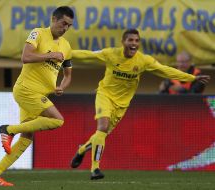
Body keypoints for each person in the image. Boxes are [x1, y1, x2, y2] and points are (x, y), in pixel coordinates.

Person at [70, 29, 210, 180]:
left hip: (122, 105)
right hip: (105, 96)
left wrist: (191, 78)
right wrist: (62, 53)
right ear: (123, 42)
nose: (134, 43)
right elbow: (86, 55)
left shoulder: (143, 60)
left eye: (136, 41)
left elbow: (165, 70)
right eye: (130, 40)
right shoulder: (111, 53)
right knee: (102, 127)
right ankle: (95, 169)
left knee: (102, 134)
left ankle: (82, 150)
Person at [0, 6, 74, 186]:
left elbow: (68, 75)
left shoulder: (66, 46)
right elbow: (26, 57)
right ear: (54, 20)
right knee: (58, 120)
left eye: (69, 26)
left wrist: (61, 86)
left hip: (39, 94)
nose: (65, 28)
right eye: (63, 23)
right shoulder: (38, 33)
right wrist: (50, 55)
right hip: (26, 90)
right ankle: (8, 129)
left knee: (27, 138)